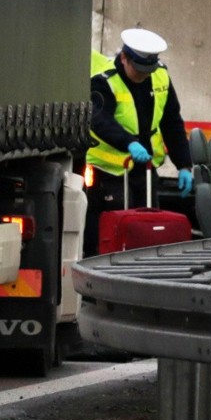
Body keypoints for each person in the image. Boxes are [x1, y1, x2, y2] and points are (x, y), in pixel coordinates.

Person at [83, 28, 193, 257]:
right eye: (138, 70)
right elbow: (98, 119)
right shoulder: (105, 81)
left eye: (148, 70)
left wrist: (184, 164)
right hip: (109, 173)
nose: (143, 76)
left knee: (145, 234)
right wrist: (128, 143)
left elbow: (172, 121)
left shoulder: (160, 75)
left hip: (145, 171)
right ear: (124, 58)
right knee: (109, 236)